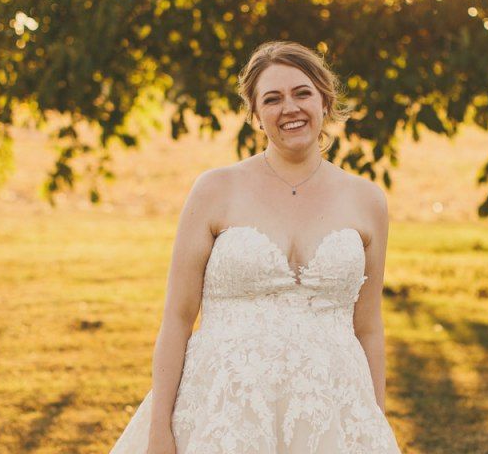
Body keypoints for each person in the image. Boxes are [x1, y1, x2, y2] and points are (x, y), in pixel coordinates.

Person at [108, 40, 402, 453]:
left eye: (302, 93)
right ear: (255, 115)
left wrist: (374, 424)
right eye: (272, 99)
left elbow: (368, 327)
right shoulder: (215, 189)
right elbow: (177, 318)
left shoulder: (367, 200)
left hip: (332, 413)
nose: (290, 108)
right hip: (226, 412)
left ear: (325, 100)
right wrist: (160, 429)